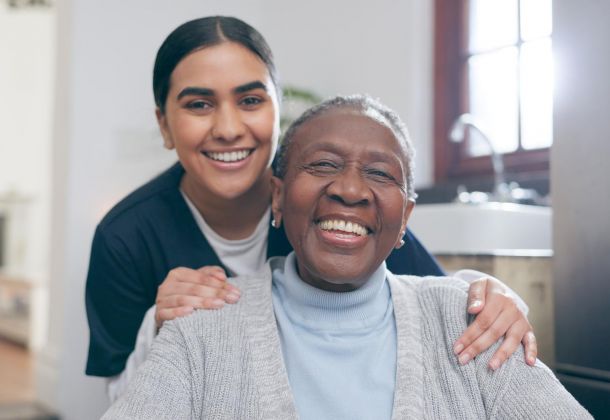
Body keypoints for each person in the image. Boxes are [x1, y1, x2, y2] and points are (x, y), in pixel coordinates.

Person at [85, 16, 536, 401]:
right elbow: (120, 398)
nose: (227, 128)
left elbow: (433, 299)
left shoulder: (327, 207)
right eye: (199, 104)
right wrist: (157, 329)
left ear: (277, 111)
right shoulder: (125, 236)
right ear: (164, 124)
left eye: (250, 101)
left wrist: (492, 294)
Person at [102, 95, 590, 419]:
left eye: (380, 174)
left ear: (406, 218)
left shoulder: (472, 325)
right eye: (323, 165)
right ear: (277, 196)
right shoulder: (203, 328)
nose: (351, 189)